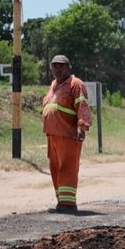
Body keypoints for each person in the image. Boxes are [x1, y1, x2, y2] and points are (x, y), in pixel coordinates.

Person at [42, 54, 92, 213]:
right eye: (54, 65)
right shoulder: (53, 85)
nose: (57, 68)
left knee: (67, 168)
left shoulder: (75, 84)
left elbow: (82, 105)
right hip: (53, 135)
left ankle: (68, 204)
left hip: (68, 135)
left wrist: (82, 127)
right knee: (55, 168)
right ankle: (61, 201)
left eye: (61, 65)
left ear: (68, 67)